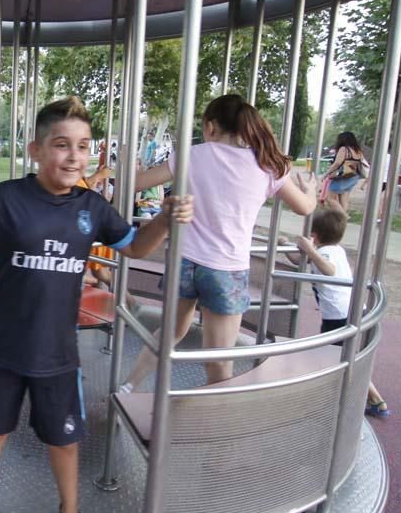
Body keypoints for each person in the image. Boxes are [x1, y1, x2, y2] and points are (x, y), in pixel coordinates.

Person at [0, 97, 194, 513]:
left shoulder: (92, 207)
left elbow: (133, 248)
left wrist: (164, 219)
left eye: (83, 146)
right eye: (61, 145)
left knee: (65, 439)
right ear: (36, 149)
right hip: (1, 347)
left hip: (58, 354)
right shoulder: (8, 198)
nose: (75, 156)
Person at [120, 94, 317, 391]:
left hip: (184, 262)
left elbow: (134, 183)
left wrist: (123, 166)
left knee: (169, 332)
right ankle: (212, 422)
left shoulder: (193, 154)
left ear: (210, 126)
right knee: (218, 359)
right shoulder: (268, 165)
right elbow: (304, 207)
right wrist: (312, 191)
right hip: (227, 269)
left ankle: (129, 385)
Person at [280, 209, 391, 416]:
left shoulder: (325, 253)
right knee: (338, 355)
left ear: (314, 235)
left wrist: (310, 250)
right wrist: (286, 245)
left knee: (336, 356)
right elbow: (299, 260)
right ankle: (363, 398)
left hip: (339, 315)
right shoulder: (334, 249)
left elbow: (328, 269)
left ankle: (370, 398)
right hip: (347, 310)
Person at [322, 131, 366, 212]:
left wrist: (326, 174)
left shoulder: (344, 149)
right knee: (344, 199)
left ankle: (342, 217)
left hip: (342, 177)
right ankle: (342, 220)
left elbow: (337, 163)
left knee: (330, 198)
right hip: (353, 176)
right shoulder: (358, 150)